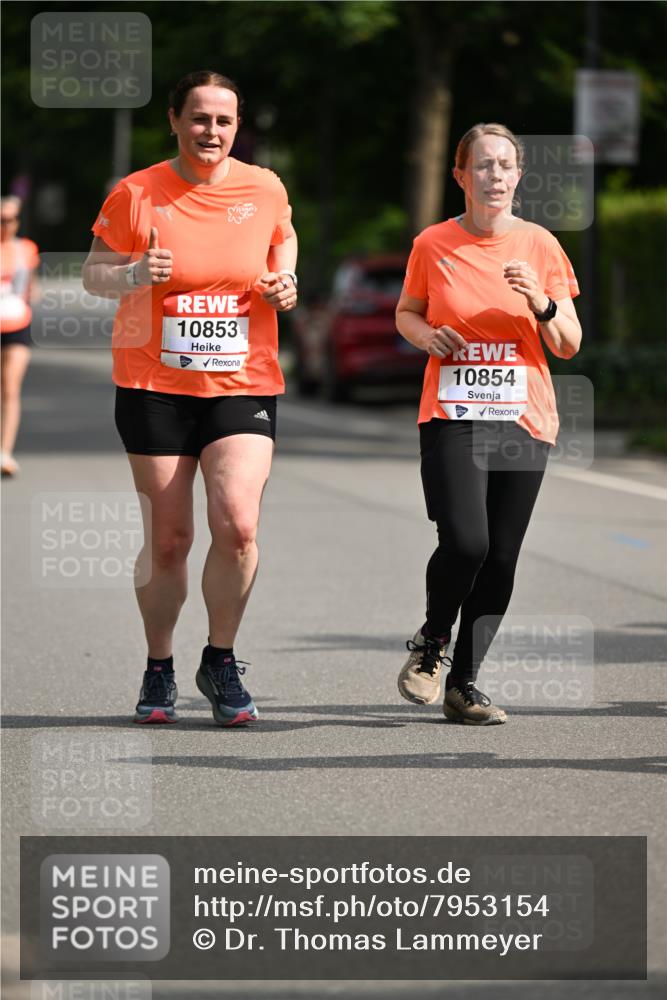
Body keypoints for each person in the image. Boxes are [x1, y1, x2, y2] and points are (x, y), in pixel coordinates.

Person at [82, 70, 298, 726]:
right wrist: (130, 274)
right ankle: (157, 665)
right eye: (199, 118)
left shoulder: (263, 187)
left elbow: (281, 238)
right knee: (171, 538)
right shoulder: (136, 193)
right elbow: (93, 274)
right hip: (154, 384)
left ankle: (221, 659)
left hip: (242, 380)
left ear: (238, 128)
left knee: (237, 524)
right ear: (174, 120)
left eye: (223, 121)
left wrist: (285, 277)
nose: (211, 132)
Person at [396, 123, 581, 725]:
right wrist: (427, 336)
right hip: (454, 411)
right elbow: (407, 312)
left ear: (518, 176)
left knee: (501, 557)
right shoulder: (432, 244)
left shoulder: (541, 246)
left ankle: (464, 683)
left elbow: (569, 344)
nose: (494, 176)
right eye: (482, 166)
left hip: (524, 417)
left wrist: (543, 303)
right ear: (461, 176)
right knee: (467, 541)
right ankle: (430, 642)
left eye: (505, 165)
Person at [1, 195, 39, 477]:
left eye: (10, 220)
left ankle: (5, 452)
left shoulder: (27, 249)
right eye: (1, 220)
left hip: (17, 325)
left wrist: (30, 300)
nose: (5, 225)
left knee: (10, 389)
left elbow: (31, 286)